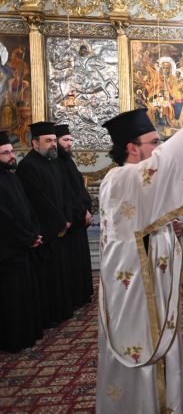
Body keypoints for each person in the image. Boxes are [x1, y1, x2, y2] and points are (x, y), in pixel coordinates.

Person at [95, 102, 183, 414]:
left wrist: (169, 230)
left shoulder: (137, 182)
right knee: (142, 360)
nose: (159, 148)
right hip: (134, 296)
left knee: (162, 358)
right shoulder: (120, 178)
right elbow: (162, 166)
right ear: (132, 147)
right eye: (153, 142)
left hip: (150, 290)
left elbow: (148, 219)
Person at [16, 121, 73, 328]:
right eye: (48, 141)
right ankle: (50, 316)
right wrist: (60, 222)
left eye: (53, 140)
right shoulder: (28, 166)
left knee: (60, 274)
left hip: (60, 227)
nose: (53, 145)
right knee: (48, 277)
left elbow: (65, 192)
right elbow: (39, 200)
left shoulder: (53, 162)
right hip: (46, 230)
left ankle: (62, 311)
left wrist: (67, 218)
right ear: (35, 143)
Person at [0, 131, 43, 352]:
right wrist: (27, 238)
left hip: (25, 245)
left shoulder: (12, 176)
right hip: (8, 251)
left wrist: (34, 232)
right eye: (6, 153)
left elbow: (27, 207)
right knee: (12, 298)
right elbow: (5, 219)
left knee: (27, 294)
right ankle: (14, 340)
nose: (12, 156)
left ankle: (29, 334)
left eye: (11, 151)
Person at [54, 123, 94, 308]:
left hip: (80, 218)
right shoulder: (55, 163)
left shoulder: (68, 161)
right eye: (65, 140)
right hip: (71, 220)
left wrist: (87, 208)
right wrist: (81, 211)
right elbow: (66, 194)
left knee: (81, 261)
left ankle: (83, 295)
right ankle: (76, 297)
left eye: (71, 140)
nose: (69, 143)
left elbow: (79, 189)